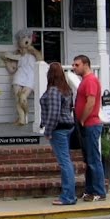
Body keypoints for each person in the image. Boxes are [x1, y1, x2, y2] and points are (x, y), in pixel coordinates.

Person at [40, 61, 77, 205]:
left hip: (59, 129)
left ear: (50, 74)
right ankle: (69, 194)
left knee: (64, 163)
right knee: (66, 161)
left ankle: (68, 196)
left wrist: (48, 131)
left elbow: (54, 114)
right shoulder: (66, 89)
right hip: (68, 126)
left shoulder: (54, 90)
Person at [73, 53, 106, 201]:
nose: (74, 68)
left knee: (93, 160)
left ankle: (99, 192)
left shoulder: (91, 80)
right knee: (88, 160)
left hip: (91, 124)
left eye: (77, 65)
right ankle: (89, 190)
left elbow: (91, 102)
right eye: (74, 65)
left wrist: (82, 119)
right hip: (87, 125)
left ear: (86, 65)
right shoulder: (84, 80)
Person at [2, 28, 40, 125]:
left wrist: (34, 50)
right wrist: (6, 61)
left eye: (28, 37)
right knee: (18, 98)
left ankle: (25, 115)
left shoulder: (33, 52)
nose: (26, 39)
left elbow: (41, 60)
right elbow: (12, 70)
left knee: (23, 97)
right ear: (19, 41)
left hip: (30, 77)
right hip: (19, 76)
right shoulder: (16, 54)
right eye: (23, 37)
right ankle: (22, 119)